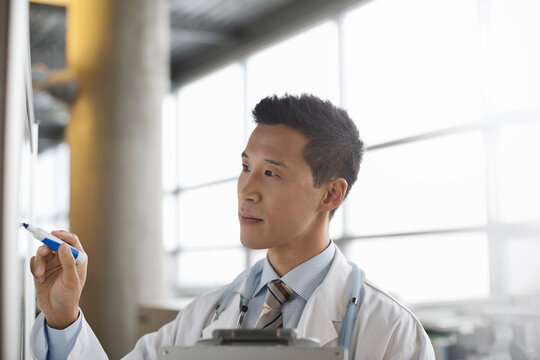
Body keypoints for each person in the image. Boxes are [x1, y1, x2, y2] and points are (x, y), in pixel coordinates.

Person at [29, 94, 436, 359]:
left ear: (331, 194)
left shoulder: (390, 332)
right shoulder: (204, 316)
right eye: (245, 167)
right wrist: (62, 318)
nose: (247, 190)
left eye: (271, 174)